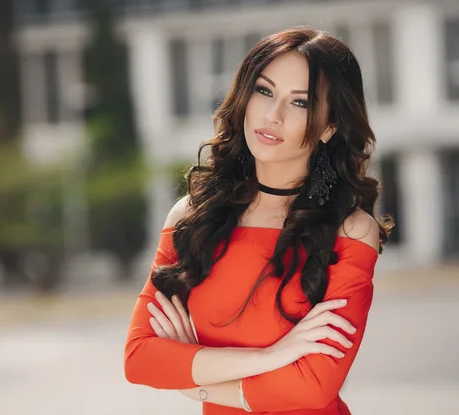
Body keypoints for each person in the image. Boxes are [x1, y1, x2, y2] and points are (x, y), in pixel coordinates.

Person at [124, 26, 393, 415]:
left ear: (329, 126)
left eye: (299, 103)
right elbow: (139, 358)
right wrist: (273, 357)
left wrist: (194, 380)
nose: (272, 115)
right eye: (264, 91)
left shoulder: (349, 231)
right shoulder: (190, 217)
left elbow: (313, 387)